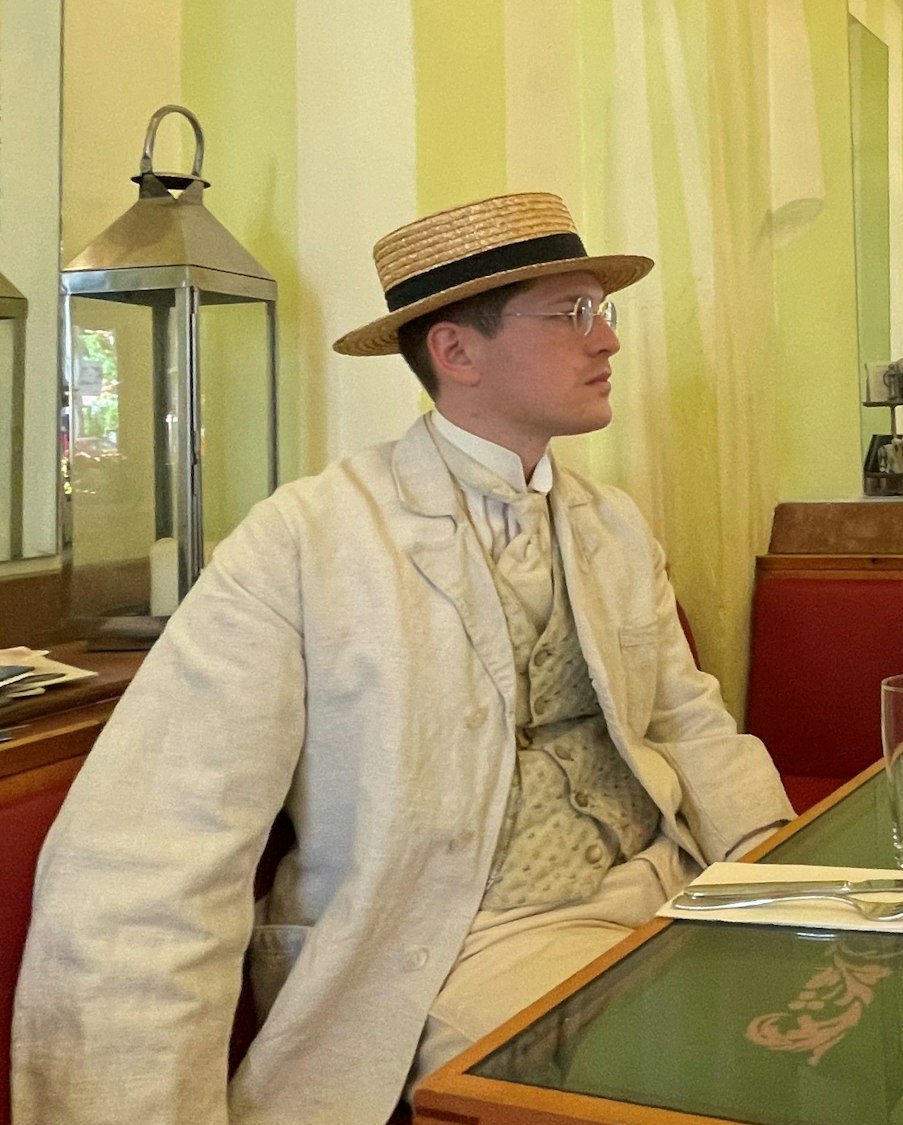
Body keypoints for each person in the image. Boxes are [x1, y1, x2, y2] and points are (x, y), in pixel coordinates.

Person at [12, 193, 795, 1123]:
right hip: (470, 947)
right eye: (572, 313)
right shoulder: (304, 542)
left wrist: (785, 871)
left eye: (604, 311)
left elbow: (688, 721)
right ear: (457, 351)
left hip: (674, 893)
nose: (609, 341)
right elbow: (148, 861)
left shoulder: (612, 522)